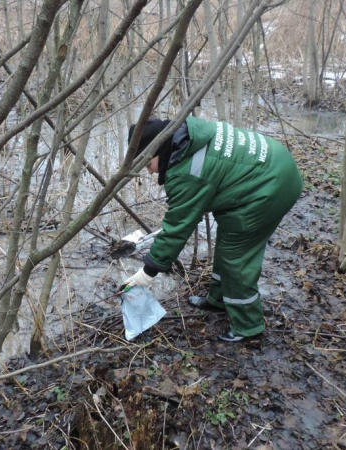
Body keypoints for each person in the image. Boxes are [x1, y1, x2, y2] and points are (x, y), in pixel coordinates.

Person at [122, 116, 303, 342]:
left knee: (236, 258)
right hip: (272, 165)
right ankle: (218, 299)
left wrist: (147, 272)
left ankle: (249, 327)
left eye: (148, 164)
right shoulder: (189, 135)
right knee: (228, 242)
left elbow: (177, 227)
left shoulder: (185, 171)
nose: (149, 172)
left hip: (272, 185)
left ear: (158, 149)